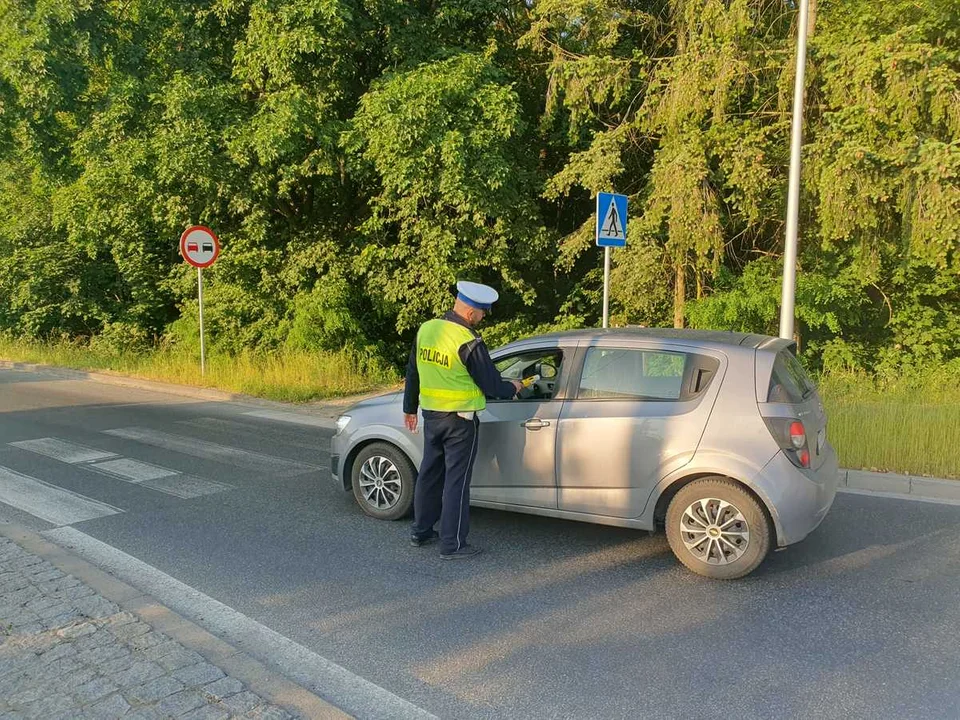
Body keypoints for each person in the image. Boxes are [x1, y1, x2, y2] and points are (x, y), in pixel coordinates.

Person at [403, 281, 523, 559]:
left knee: (429, 475)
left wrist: (409, 408)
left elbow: (413, 371)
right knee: (456, 482)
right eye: (483, 313)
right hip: (460, 422)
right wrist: (513, 388)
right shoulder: (468, 340)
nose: (483, 318)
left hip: (431, 416)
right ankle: (452, 544)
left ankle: (420, 532)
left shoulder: (427, 329)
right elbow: (492, 385)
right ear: (471, 313)